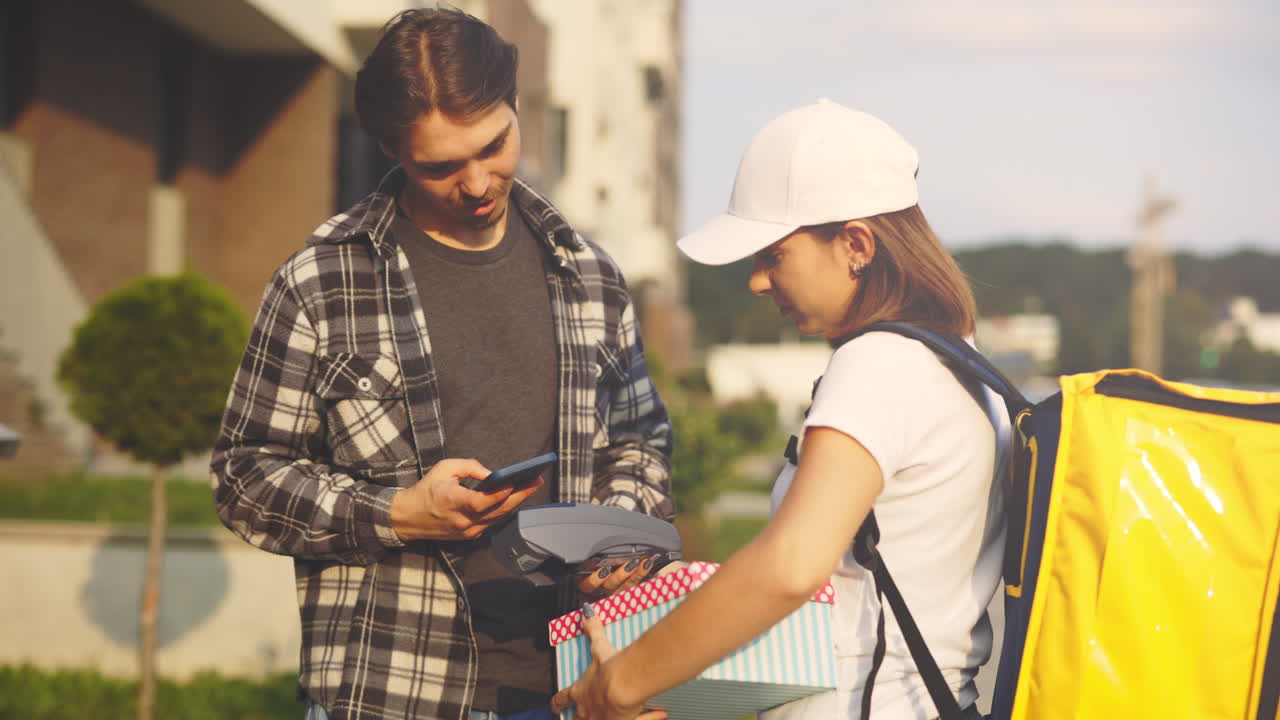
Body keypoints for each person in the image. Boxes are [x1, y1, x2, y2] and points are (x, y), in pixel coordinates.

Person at [210, 8, 675, 720]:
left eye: (495, 145)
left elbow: (640, 440)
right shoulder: (320, 282)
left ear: (517, 105)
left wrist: (615, 528)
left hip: (573, 690)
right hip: (389, 692)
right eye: (441, 165)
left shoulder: (591, 276)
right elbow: (245, 477)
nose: (479, 181)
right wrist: (398, 513)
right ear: (393, 148)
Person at [551, 99, 1009, 720]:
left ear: (855, 244)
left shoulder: (878, 364)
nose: (757, 282)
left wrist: (620, 684)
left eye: (773, 255)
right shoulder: (959, 360)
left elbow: (788, 568)